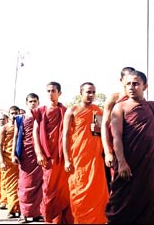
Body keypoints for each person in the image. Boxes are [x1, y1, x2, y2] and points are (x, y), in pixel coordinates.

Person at [105, 70, 154, 224]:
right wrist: (122, 162)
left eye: (136, 84)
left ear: (145, 86)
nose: (132, 87)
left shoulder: (152, 107)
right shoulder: (120, 108)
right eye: (128, 84)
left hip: (150, 167)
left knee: (152, 204)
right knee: (122, 205)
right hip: (129, 166)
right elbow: (117, 137)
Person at [62, 82, 108, 223]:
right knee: (78, 191)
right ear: (81, 93)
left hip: (95, 159)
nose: (91, 95)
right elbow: (64, 136)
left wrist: (100, 130)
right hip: (77, 158)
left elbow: (103, 134)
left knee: (97, 193)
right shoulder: (72, 111)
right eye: (88, 92)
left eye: (93, 92)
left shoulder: (99, 111)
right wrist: (67, 159)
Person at [32, 82, 73, 224]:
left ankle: (63, 219)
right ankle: (50, 218)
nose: (50, 93)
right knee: (49, 188)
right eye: (48, 91)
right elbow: (35, 133)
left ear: (59, 93)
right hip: (48, 156)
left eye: (53, 91)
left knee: (64, 189)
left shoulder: (65, 111)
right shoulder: (41, 111)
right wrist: (38, 153)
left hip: (62, 156)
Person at [101, 66, 135, 192]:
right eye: (127, 80)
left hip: (134, 147)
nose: (130, 84)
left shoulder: (139, 100)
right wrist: (107, 152)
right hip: (116, 147)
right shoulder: (114, 99)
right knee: (117, 184)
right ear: (121, 80)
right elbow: (105, 125)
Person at [12, 93, 44, 223]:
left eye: (35, 101)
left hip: (38, 154)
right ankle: (23, 214)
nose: (33, 103)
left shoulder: (42, 116)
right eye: (30, 101)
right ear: (26, 103)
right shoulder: (20, 118)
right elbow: (15, 136)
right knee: (25, 184)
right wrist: (13, 153)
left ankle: (36, 213)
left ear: (38, 102)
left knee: (38, 184)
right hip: (25, 153)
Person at [0, 106, 21, 219]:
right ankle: (12, 209)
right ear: (9, 114)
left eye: (16, 113)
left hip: (20, 159)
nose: (14, 115)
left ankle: (20, 209)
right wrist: (1, 160)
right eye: (12, 113)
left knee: (21, 185)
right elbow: (0, 145)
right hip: (8, 159)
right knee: (11, 185)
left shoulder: (22, 126)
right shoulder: (5, 128)